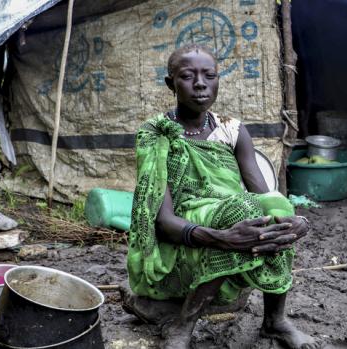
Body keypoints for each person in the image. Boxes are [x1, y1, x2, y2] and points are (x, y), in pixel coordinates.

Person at [124, 44, 319, 349]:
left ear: (217, 80)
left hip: (233, 221)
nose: (200, 83)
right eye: (188, 76)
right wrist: (222, 238)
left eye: (209, 75)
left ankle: (275, 321)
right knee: (240, 211)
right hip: (183, 235)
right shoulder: (156, 133)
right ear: (170, 83)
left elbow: (264, 195)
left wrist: (296, 221)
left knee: (277, 207)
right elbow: (162, 222)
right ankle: (184, 323)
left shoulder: (232, 130)